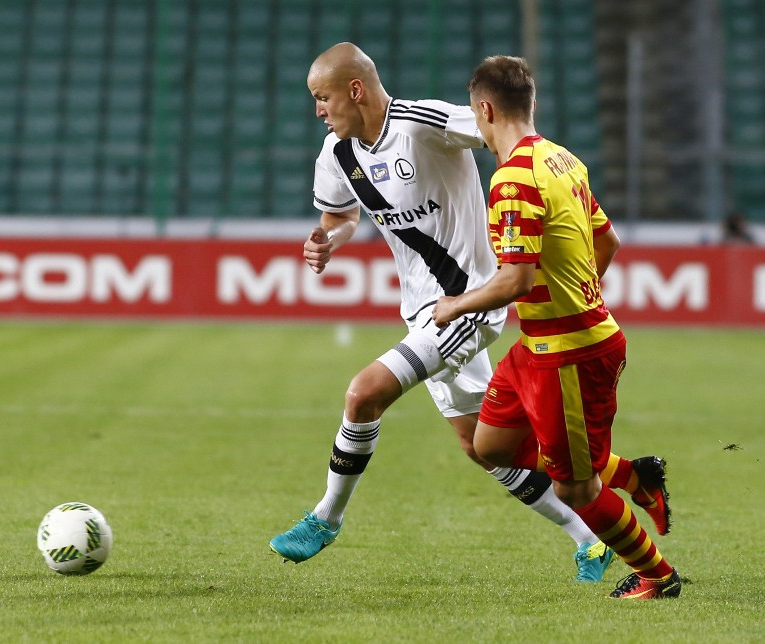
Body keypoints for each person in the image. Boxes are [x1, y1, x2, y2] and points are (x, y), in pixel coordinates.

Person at [269, 43, 668, 583]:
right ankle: (597, 526)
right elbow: (339, 216)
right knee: (485, 446)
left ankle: (325, 517)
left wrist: (536, 186)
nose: (318, 109)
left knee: (364, 395)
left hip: (471, 304)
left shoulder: (425, 123)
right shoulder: (336, 154)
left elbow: (504, 127)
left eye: (322, 97)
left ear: (354, 90)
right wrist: (329, 240)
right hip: (424, 311)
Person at [431, 55, 681, 600]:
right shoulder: (563, 159)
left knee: (575, 487)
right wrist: (576, 291)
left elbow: (515, 281)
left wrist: (455, 305)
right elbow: (608, 242)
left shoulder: (513, 179)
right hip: (541, 345)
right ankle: (637, 477)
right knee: (491, 444)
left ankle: (658, 576)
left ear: (485, 109)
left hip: (568, 354)